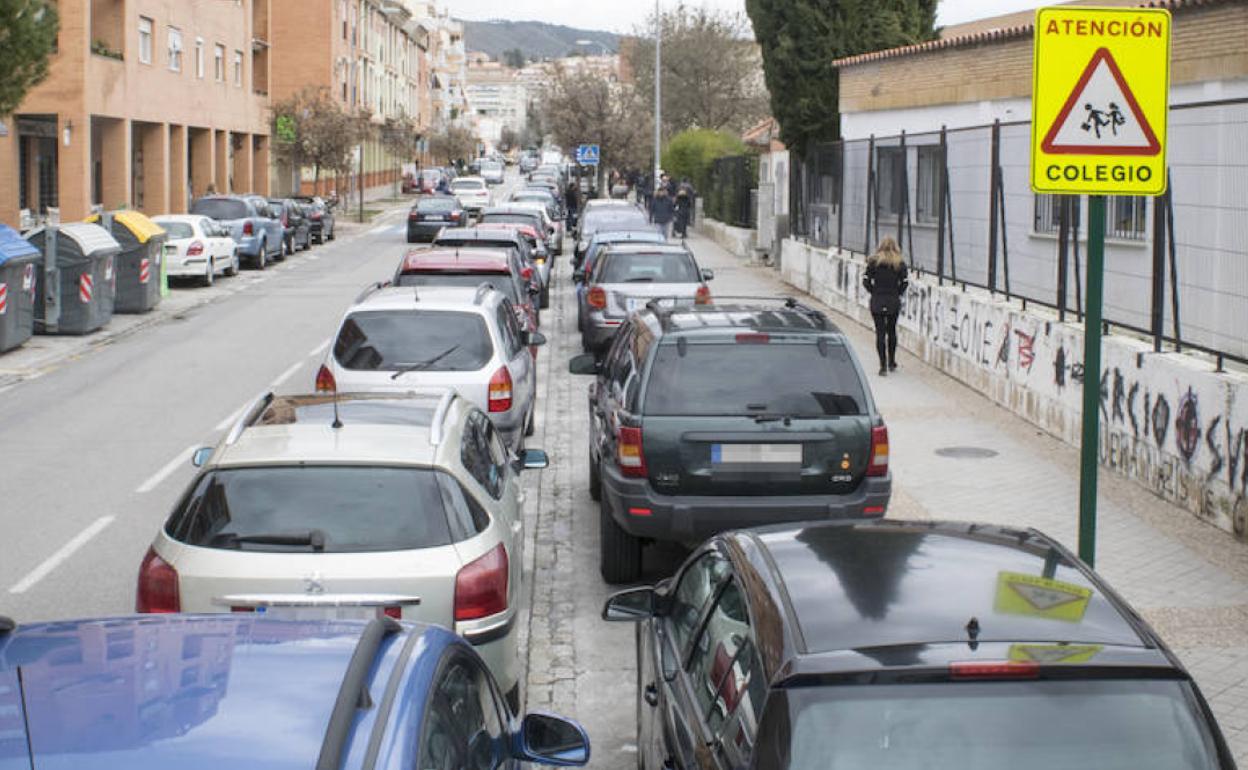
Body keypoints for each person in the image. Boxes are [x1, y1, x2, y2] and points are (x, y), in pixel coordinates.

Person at [863, 237, 908, 376]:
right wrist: (897, 293)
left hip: (877, 300)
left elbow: (865, 281)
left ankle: (882, 366)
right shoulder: (899, 263)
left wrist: (874, 291)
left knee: (880, 333)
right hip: (893, 300)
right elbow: (905, 283)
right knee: (892, 331)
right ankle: (892, 362)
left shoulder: (873, 262)